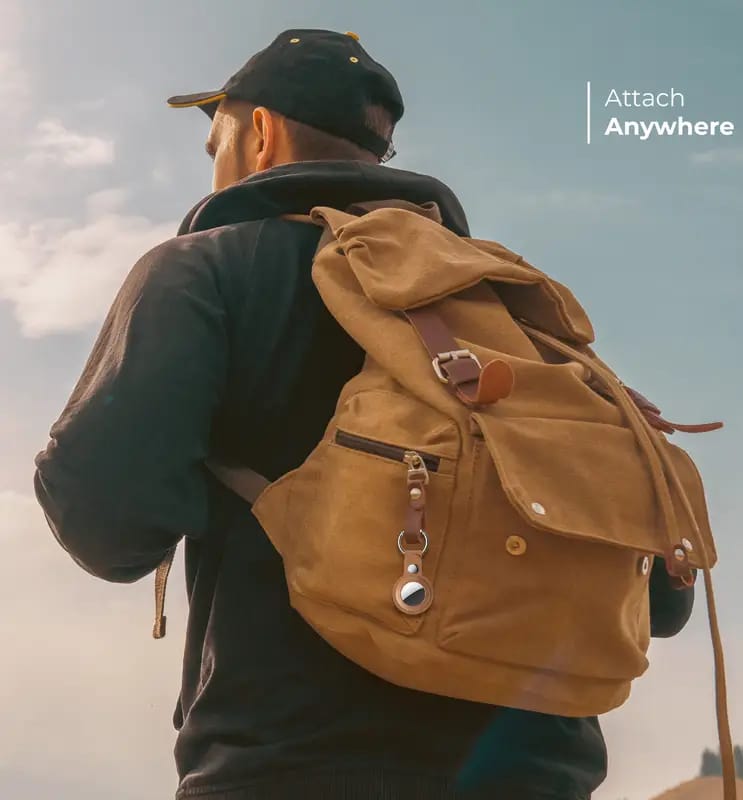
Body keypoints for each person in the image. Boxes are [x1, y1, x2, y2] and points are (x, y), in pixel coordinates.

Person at [33, 28, 695, 800]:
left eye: (214, 136)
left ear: (260, 132)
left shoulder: (203, 269)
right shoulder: (508, 306)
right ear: (379, 153)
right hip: (541, 774)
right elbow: (659, 600)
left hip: (287, 766)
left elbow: (108, 526)